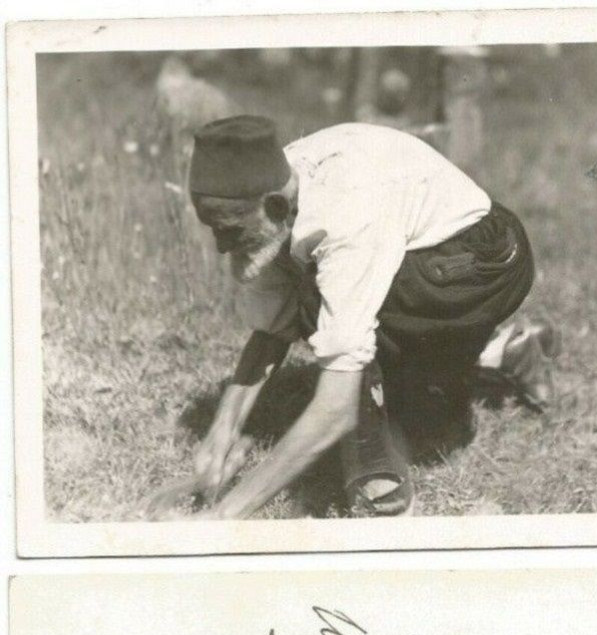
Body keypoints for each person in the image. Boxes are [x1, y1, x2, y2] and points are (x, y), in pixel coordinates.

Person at [185, 114, 555, 518]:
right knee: (317, 294)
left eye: (230, 232)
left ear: (274, 206)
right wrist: (223, 430)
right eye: (215, 231)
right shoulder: (272, 194)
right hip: (431, 252)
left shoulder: (343, 215)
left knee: (324, 307)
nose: (222, 247)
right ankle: (501, 351)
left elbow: (334, 407)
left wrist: (225, 516)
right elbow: (272, 327)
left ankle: (374, 445)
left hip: (485, 261)